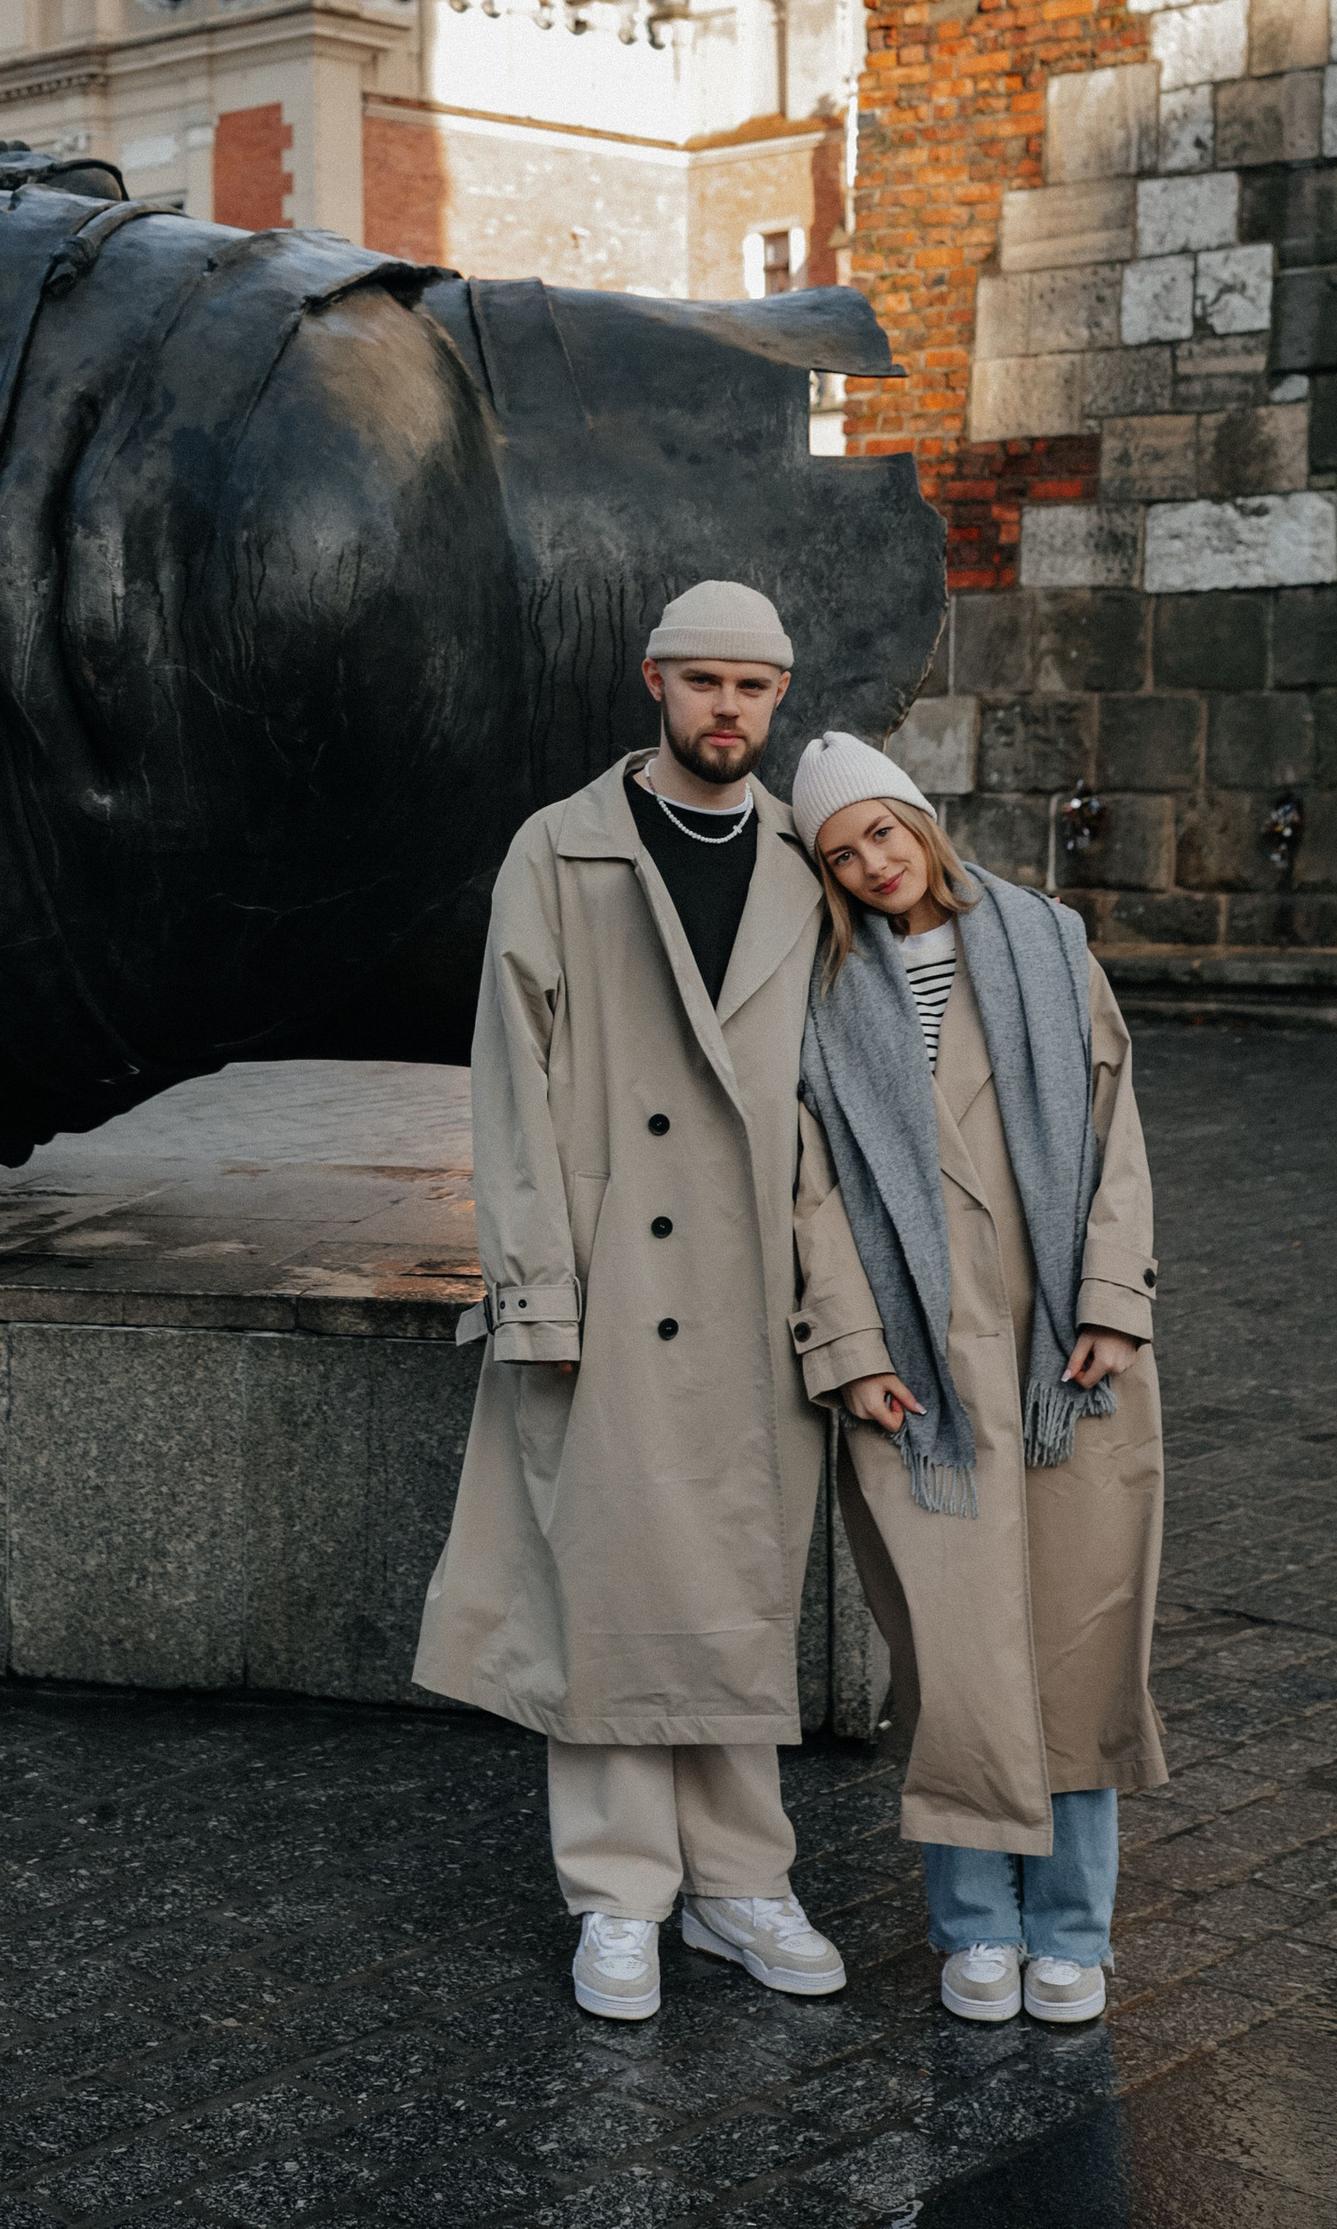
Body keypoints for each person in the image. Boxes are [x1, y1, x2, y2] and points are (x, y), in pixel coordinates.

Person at [414, 580, 848, 2025]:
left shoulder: (806, 860)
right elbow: (511, 1083)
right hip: (609, 1280)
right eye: (708, 682)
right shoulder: (565, 849)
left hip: (753, 1289)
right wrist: (537, 1287)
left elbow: (844, 1099)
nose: (731, 711)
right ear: (653, 680)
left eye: (757, 690)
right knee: (603, 1595)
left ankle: (738, 1883)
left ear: (780, 702)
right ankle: (617, 1897)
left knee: (734, 1589)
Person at [788, 735, 1164, 2029]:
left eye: (881, 833)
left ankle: (1071, 1926)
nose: (872, 864)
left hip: (1059, 1348)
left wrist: (1115, 1306)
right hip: (921, 1360)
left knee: (1073, 1635)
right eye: (842, 855)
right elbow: (813, 1193)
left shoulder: (1049, 944)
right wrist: (851, 1356)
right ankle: (972, 1926)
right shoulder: (825, 992)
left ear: (919, 819)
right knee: (956, 1651)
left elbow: (1117, 1134)